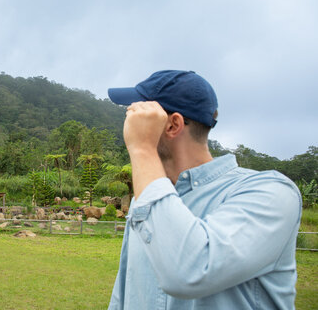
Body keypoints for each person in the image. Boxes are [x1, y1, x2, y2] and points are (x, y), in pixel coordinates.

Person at [107, 70, 301, 309]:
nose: (128, 124)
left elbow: (189, 272)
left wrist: (142, 149)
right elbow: (124, 293)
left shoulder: (272, 193)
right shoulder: (145, 199)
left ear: (172, 125)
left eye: (136, 114)